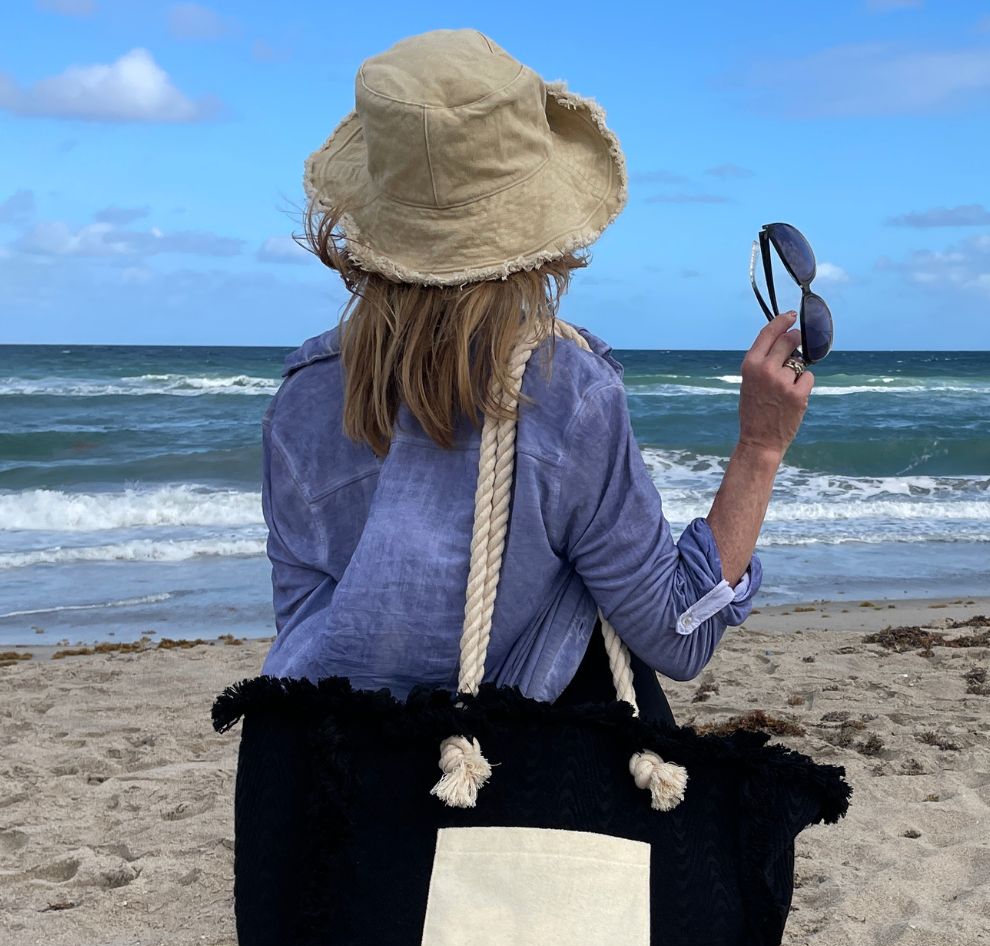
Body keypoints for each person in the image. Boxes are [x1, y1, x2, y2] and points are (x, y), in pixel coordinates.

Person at [257, 28, 813, 719]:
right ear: (536, 240)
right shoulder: (567, 394)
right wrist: (761, 448)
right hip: (498, 785)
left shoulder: (303, 399)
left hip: (331, 777)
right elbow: (679, 633)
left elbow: (308, 620)